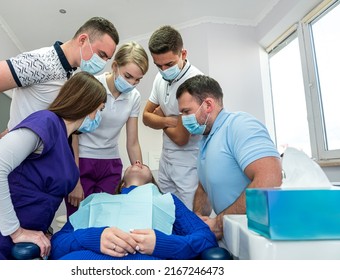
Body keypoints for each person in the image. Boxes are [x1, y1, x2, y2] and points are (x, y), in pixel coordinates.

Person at [0, 72, 107, 260]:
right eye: (100, 109)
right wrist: (16, 232)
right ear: (88, 104)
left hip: (26, 239)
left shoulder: (65, 141)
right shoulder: (46, 122)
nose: (98, 116)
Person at [0, 16, 119, 146]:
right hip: (21, 162)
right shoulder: (41, 62)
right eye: (101, 54)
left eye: (107, 58)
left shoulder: (67, 72)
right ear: (83, 40)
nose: (103, 62)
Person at [176, 74, 283, 240]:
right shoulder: (205, 139)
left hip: (261, 235)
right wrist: (197, 217)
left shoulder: (239, 125)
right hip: (233, 234)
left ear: (208, 105)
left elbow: (271, 178)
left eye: (186, 112)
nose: (183, 119)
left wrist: (219, 223)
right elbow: (204, 187)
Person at [50, 162, 218, 260]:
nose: (137, 161)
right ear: (122, 184)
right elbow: (56, 246)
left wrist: (161, 244)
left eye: (144, 165)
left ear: (152, 184)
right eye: (133, 163)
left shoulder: (167, 200)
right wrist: (93, 238)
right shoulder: (95, 200)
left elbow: (206, 239)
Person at [66, 41, 149, 217]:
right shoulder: (92, 85)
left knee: (106, 220)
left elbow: (132, 142)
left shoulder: (134, 97)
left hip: (110, 164)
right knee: (78, 218)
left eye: (138, 80)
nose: (132, 83)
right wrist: (74, 179)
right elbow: (73, 133)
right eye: (128, 76)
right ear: (114, 66)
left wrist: (141, 182)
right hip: (82, 160)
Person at [142, 25, 203, 210]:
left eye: (168, 64)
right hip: (166, 158)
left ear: (183, 53)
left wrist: (158, 118)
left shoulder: (194, 81)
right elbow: (145, 117)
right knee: (169, 214)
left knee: (189, 217)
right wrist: (169, 120)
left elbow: (181, 138)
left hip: (188, 162)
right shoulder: (160, 79)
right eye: (158, 65)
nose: (163, 69)